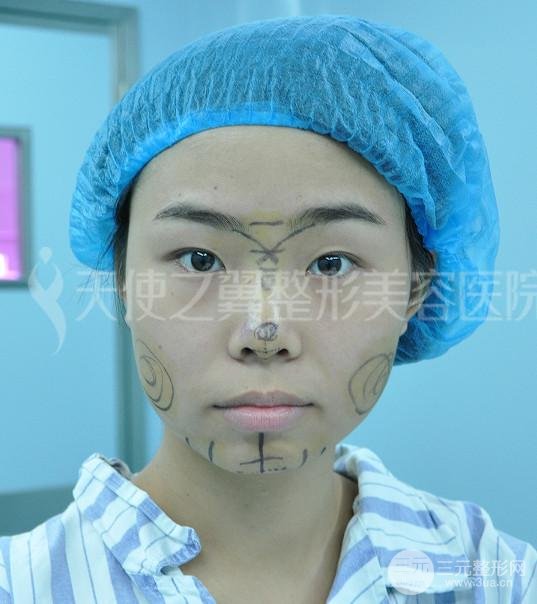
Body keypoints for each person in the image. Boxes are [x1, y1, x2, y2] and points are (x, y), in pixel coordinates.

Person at [1, 14, 535, 604]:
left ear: (416, 289)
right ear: (123, 281)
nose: (263, 331)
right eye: (200, 259)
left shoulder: (493, 575)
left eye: (331, 263)